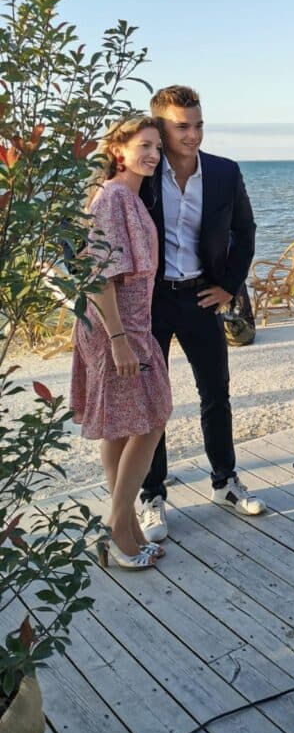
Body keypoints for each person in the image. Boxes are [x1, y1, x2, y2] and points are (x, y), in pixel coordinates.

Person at [138, 85, 263, 544]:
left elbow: (245, 231)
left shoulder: (225, 172)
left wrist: (228, 286)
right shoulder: (142, 172)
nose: (194, 135)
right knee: (153, 402)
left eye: (199, 124)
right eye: (182, 126)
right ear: (159, 128)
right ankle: (152, 494)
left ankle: (224, 481)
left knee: (217, 393)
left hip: (201, 297)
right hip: (151, 303)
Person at [70, 116, 173, 570]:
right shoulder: (112, 198)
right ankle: (117, 528)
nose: (152, 153)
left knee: (120, 426)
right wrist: (118, 341)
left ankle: (125, 527)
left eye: (156, 147)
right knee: (152, 420)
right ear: (118, 150)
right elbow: (99, 276)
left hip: (128, 327)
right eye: (144, 145)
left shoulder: (128, 197)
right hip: (118, 329)